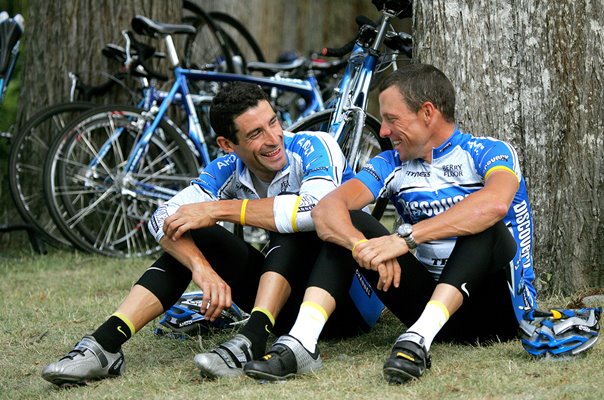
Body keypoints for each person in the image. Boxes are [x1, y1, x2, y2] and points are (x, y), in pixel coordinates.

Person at [41, 82, 382, 386]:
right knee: (192, 234)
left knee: (288, 223)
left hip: (348, 302)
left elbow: (314, 209)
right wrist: (202, 270)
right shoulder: (225, 170)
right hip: (285, 309)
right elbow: (161, 218)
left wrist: (216, 210)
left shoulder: (313, 145)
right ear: (226, 144)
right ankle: (104, 345)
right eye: (255, 134)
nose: (273, 138)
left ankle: (252, 337)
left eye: (273, 122)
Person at [310, 63, 538, 384]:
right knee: (355, 221)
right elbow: (327, 209)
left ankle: (417, 338)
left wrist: (405, 239)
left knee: (484, 222)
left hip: (497, 314)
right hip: (431, 310)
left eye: (391, 119)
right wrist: (359, 245)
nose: (384, 131)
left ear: (427, 112)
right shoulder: (390, 162)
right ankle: (302, 340)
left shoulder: (487, 151)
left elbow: (495, 203)